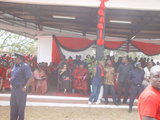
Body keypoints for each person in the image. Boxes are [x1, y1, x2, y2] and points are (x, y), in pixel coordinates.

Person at [10, 53, 33, 120]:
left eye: (15, 58)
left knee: (20, 109)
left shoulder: (25, 66)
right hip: (14, 90)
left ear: (19, 58)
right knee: (13, 108)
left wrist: (25, 87)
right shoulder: (15, 66)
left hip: (21, 90)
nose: (13, 59)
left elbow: (30, 78)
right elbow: (14, 75)